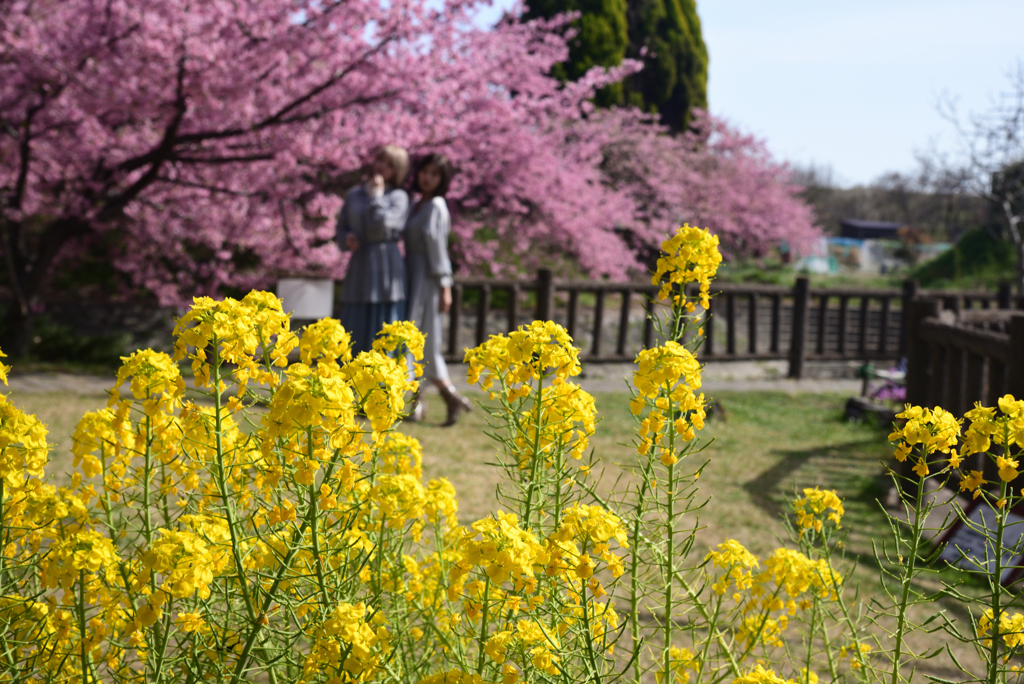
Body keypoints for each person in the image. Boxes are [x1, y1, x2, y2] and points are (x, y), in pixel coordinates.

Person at [404, 154, 471, 426]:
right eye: (424, 172)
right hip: (411, 274)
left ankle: (446, 396)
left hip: (428, 278)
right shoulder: (417, 204)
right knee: (412, 338)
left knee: (425, 340)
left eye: (435, 173)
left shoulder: (436, 206)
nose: (428, 178)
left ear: (443, 179)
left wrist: (445, 285)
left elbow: (438, 247)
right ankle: (418, 403)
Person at [336, 145, 410, 356]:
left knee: (383, 321)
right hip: (360, 261)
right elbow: (341, 228)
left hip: (386, 262)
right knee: (354, 320)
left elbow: (381, 224)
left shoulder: (399, 197)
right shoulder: (354, 194)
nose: (382, 167)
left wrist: (377, 196)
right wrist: (347, 238)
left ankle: (383, 382)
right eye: (380, 160)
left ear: (398, 171)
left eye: (390, 165)